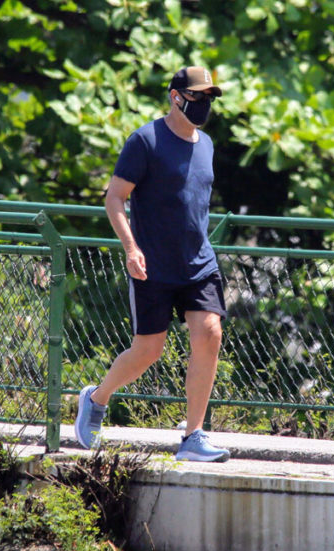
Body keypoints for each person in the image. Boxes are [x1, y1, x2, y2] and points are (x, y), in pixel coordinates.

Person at [74, 66, 230, 462]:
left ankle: (193, 435)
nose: (204, 105)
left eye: (210, 98)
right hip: (152, 264)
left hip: (198, 261)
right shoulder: (145, 140)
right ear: (176, 97)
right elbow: (114, 198)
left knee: (210, 332)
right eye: (198, 97)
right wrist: (131, 248)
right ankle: (95, 399)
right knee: (148, 350)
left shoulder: (207, 145)